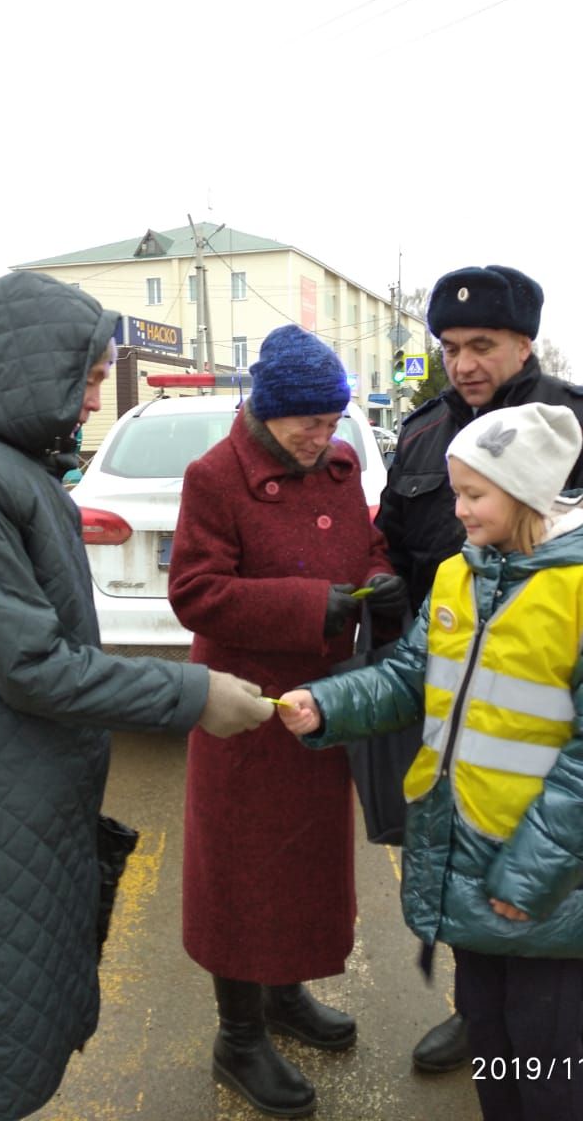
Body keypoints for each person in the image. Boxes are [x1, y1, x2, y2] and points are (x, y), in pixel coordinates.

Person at [0, 271, 273, 1121]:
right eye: (87, 378)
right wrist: (192, 693)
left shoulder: (4, 466)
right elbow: (32, 664)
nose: (93, 399)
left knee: (5, 1011)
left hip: (16, 793)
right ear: (32, 369)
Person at [279, 401, 583, 1121]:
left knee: (543, 1059)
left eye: (473, 494)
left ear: (527, 495)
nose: (458, 510)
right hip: (465, 854)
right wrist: (327, 705)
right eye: (455, 491)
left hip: (546, 877)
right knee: (490, 1040)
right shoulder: (457, 577)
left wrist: (531, 874)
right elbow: (405, 678)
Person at [375, 264, 583, 1121]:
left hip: (550, 708)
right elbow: (394, 539)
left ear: (522, 343)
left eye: (482, 346)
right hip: (458, 706)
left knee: (567, 893)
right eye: (450, 347)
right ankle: (485, 1024)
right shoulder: (426, 434)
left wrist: (536, 635)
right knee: (474, 871)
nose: (463, 363)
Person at [167, 324, 407, 1119]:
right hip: (245, 707)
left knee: (301, 865)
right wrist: (312, 606)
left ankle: (283, 996)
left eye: (332, 416)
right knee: (240, 873)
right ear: (266, 413)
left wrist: (377, 581)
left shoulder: (338, 466)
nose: (323, 433)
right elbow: (195, 592)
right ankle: (237, 1038)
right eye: (307, 419)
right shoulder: (215, 477)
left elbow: (365, 544)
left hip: (322, 703)